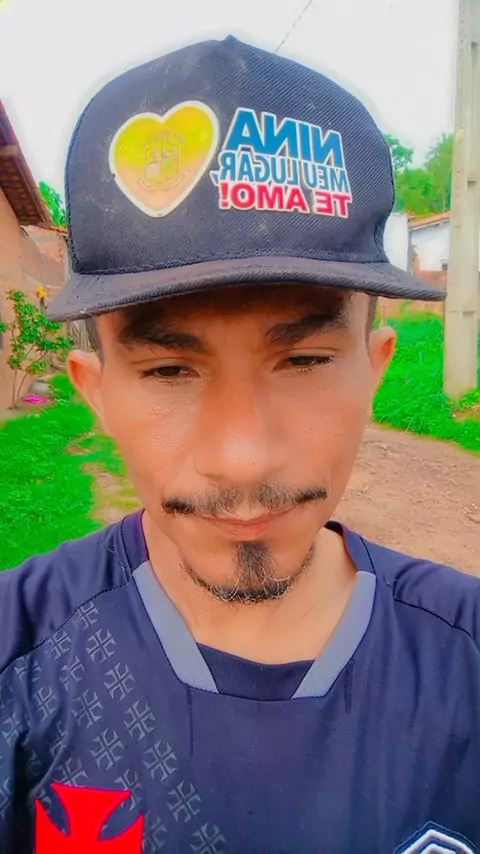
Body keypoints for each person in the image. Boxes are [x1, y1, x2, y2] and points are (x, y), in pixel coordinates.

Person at [0, 36, 478, 854]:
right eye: (169, 371)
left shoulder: (465, 660)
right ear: (94, 391)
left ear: (375, 368)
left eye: (304, 360)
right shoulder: (18, 659)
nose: (244, 458)